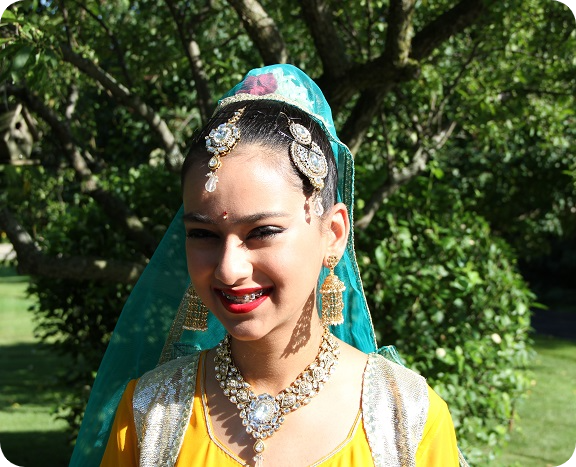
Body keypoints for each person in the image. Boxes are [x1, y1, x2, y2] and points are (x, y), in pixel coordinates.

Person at [69, 64, 469, 467]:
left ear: (332, 233)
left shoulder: (406, 419)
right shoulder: (150, 414)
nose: (228, 269)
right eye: (203, 235)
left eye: (262, 231)